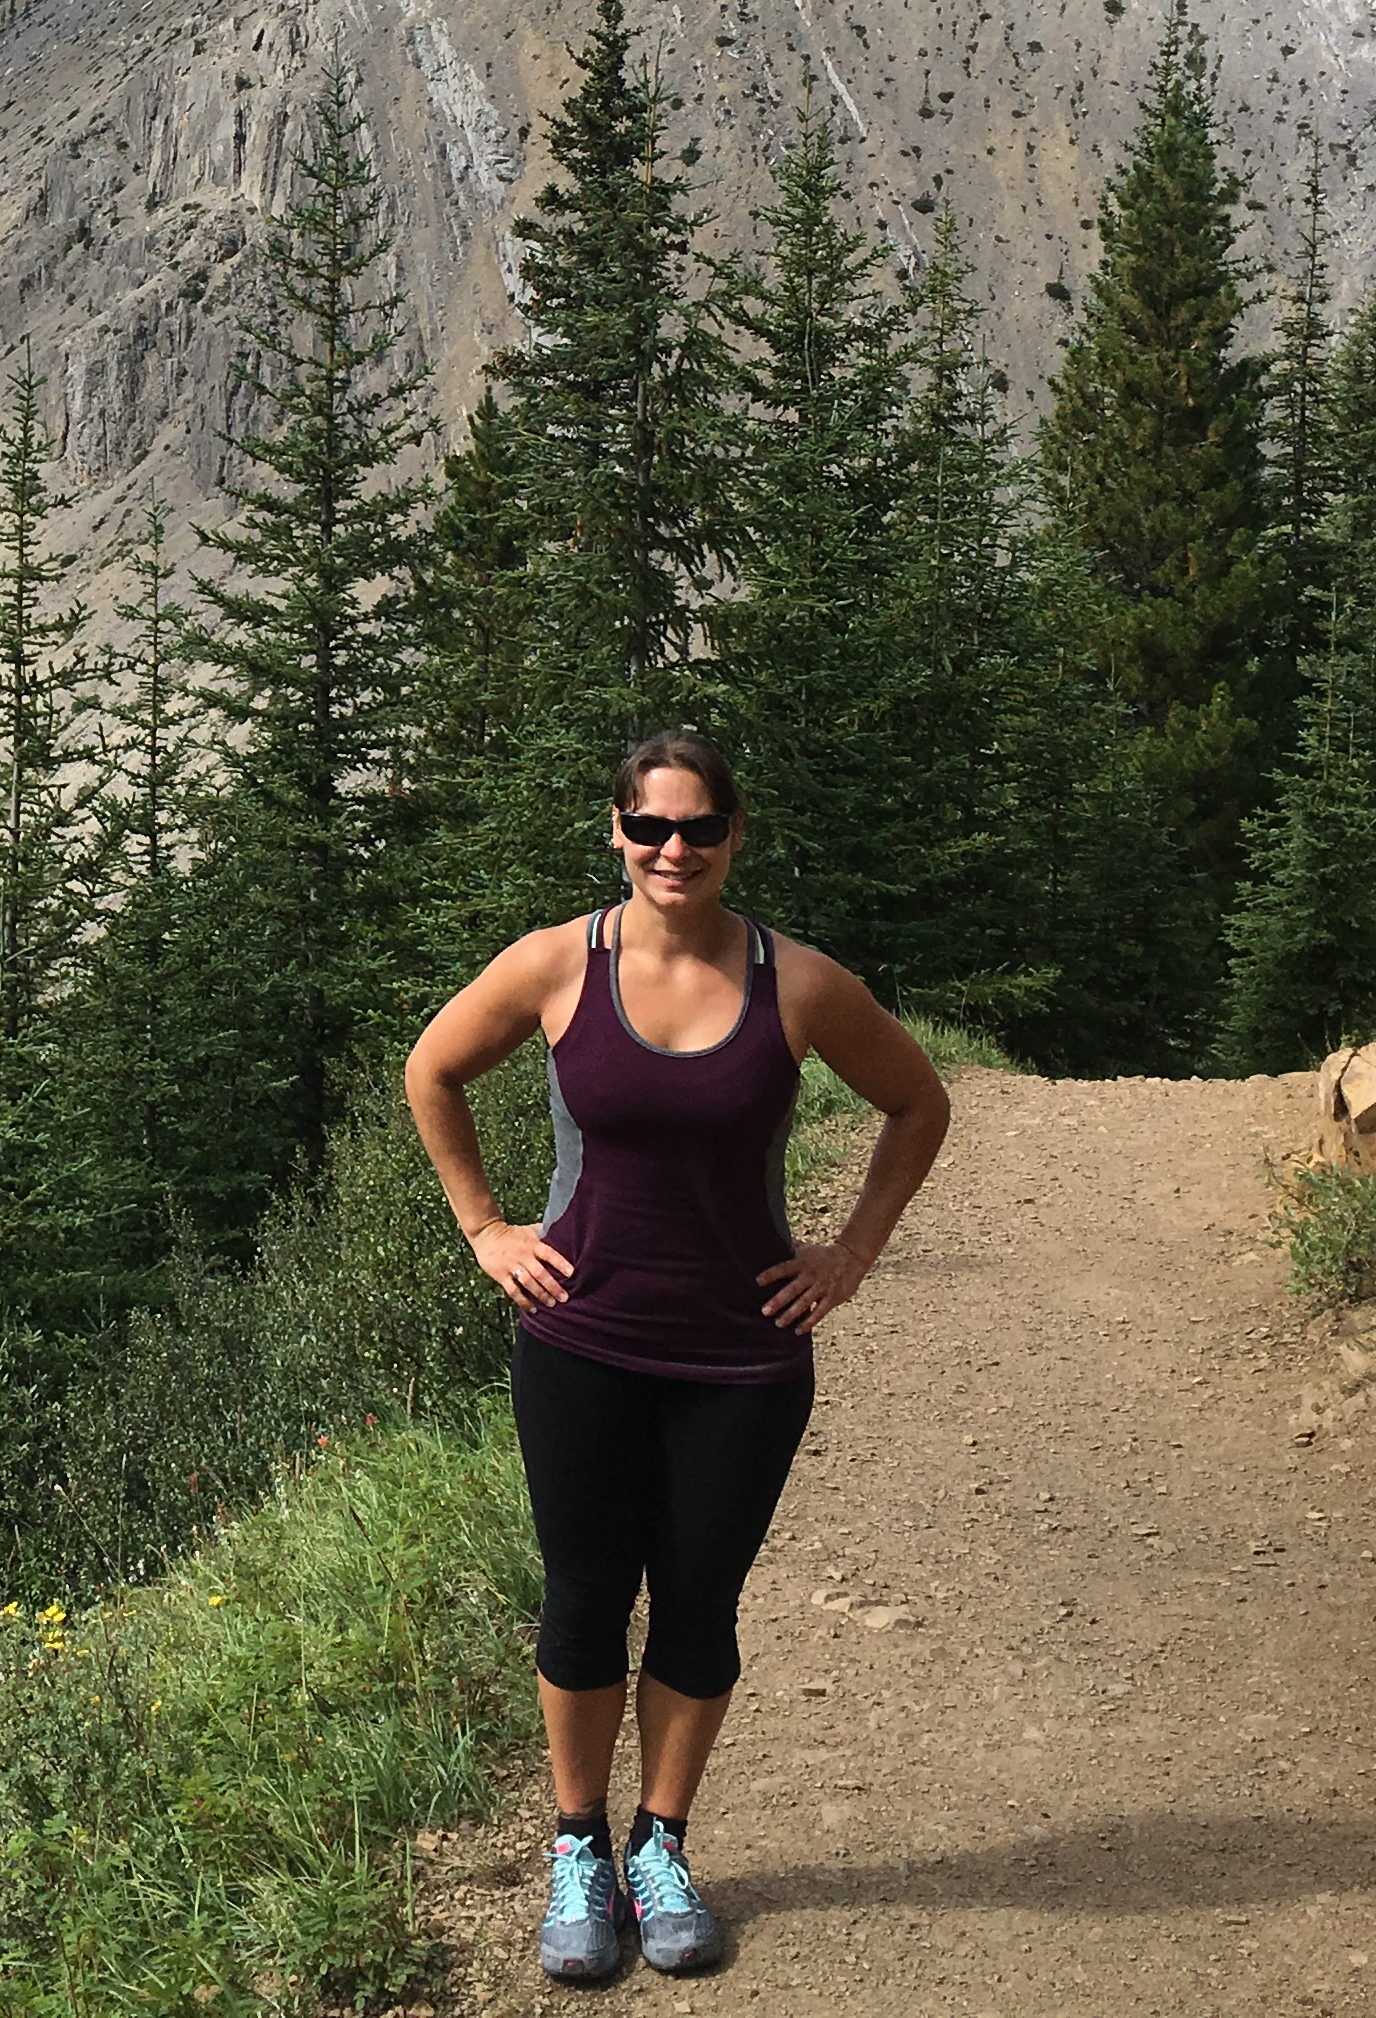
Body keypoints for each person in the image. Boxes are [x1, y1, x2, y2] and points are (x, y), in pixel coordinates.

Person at [403, 730, 951, 1984]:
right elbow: (431, 1070)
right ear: (615, 834)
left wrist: (850, 1255)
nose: (673, 850)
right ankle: (577, 1850)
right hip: (581, 1342)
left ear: (734, 836)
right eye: (649, 828)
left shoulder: (796, 985)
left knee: (699, 1603)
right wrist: (485, 1228)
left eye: (698, 828)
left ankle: (663, 1844)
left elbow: (919, 1103)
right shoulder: (555, 967)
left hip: (743, 1356)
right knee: (587, 1596)